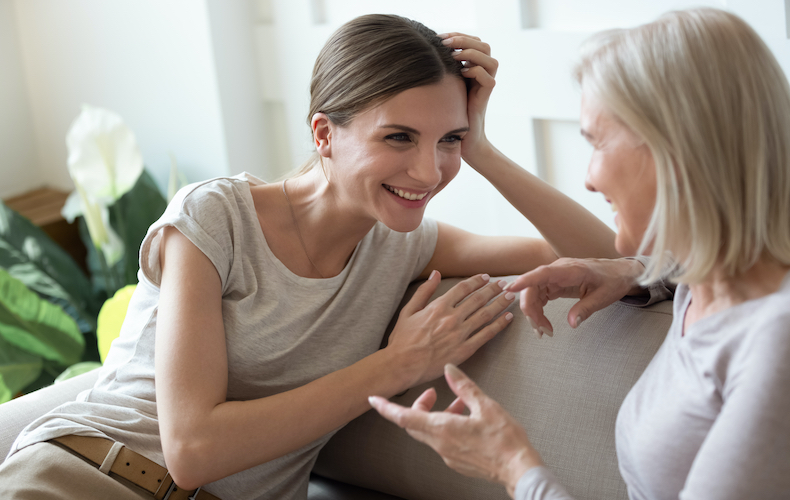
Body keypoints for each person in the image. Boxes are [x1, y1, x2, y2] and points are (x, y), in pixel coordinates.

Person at [0, 14, 617, 500]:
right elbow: (192, 449)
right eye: (398, 137)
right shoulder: (215, 219)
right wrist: (394, 366)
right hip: (86, 477)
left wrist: (481, 148)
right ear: (324, 134)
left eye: (447, 140)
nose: (429, 171)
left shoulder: (406, 244)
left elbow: (610, 254)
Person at [370, 7, 790, 500]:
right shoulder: (707, 283)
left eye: (596, 142)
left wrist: (513, 467)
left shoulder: (774, 342)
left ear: (676, 150)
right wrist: (636, 274)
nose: (588, 178)